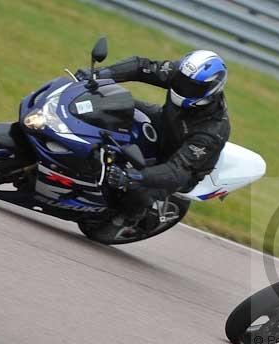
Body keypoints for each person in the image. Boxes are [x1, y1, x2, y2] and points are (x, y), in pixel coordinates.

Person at [77, 50, 230, 224]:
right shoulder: (180, 74)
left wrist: (133, 177)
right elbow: (141, 66)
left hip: (181, 167)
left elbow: (176, 170)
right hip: (165, 123)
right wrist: (100, 74)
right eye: (181, 80)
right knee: (112, 105)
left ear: (211, 90)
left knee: (139, 189)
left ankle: (128, 218)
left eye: (192, 87)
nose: (182, 87)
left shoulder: (212, 130)